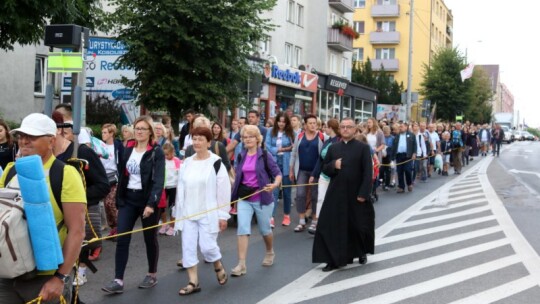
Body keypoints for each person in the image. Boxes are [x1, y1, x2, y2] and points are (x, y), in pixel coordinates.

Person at [0, 113, 86, 304]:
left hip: (45, 277)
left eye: (32, 136)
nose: (24, 141)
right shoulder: (10, 170)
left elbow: (77, 231)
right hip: (8, 273)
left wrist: (60, 278)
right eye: (21, 135)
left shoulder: (65, 174)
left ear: (51, 141)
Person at [102, 115, 165, 294]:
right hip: (128, 199)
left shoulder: (156, 152)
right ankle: (118, 280)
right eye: (137, 128)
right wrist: (119, 198)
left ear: (150, 132)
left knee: (149, 239)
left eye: (143, 129)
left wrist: (151, 204)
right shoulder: (127, 149)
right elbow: (123, 175)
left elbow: (158, 181)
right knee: (122, 238)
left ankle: (152, 273)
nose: (138, 131)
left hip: (147, 201)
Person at [52, 111, 110, 286]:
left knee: (79, 246)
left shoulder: (82, 151)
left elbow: (102, 185)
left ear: (59, 129)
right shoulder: (43, 157)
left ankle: (81, 272)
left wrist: (74, 199)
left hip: (80, 213)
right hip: (55, 218)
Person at [174, 127, 231, 295]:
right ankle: (193, 282)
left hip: (208, 213)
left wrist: (223, 215)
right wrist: (178, 211)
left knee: (208, 248)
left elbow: (223, 191)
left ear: (208, 142)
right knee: (188, 248)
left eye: (200, 139)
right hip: (188, 213)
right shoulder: (187, 162)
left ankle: (218, 265)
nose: (197, 142)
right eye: (194, 139)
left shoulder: (216, 162)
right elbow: (181, 188)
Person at [312, 117, 374, 271]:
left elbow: (368, 172)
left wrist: (364, 193)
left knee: (357, 225)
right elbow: (325, 168)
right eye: (343, 127)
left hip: (356, 193)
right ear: (339, 129)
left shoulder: (363, 148)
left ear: (354, 129)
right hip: (336, 192)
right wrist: (334, 165)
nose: (346, 129)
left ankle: (361, 252)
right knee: (331, 225)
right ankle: (332, 258)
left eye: (349, 127)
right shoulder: (333, 148)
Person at [230, 125, 282, 276]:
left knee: (265, 230)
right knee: (242, 229)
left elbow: (277, 173)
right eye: (245, 137)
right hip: (244, 198)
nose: (247, 139)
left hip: (262, 198)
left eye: (251, 136)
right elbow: (237, 174)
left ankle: (269, 251)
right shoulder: (241, 155)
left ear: (257, 138)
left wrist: (275, 184)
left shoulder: (265, 155)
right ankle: (241, 264)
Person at [289, 114, 327, 233]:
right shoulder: (299, 136)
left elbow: (324, 154)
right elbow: (294, 152)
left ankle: (315, 222)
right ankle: (301, 222)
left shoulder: (322, 136)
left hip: (316, 171)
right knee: (300, 195)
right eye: (310, 123)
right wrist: (291, 169)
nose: (313, 125)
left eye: (314, 123)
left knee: (315, 195)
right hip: (301, 170)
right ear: (305, 125)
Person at [310, 119, 340, 234]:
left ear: (331, 128)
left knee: (333, 200)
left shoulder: (339, 141)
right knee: (320, 198)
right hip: (324, 175)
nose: (324, 129)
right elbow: (320, 159)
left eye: (326, 127)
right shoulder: (327, 142)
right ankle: (317, 223)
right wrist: (314, 174)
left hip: (335, 176)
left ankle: (333, 222)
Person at [265, 112, 294, 227]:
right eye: (279, 121)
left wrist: (286, 149)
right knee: (274, 191)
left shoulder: (291, 132)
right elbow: (267, 145)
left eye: (283, 121)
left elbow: (294, 147)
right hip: (274, 162)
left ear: (286, 122)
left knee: (287, 191)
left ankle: (287, 215)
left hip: (287, 162)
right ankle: (271, 217)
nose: (281, 123)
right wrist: (279, 149)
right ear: (276, 121)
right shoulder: (270, 131)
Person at [101, 124, 125, 241]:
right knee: (106, 204)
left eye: (105, 132)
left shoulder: (118, 146)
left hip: (115, 177)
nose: (103, 135)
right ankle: (113, 228)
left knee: (111, 203)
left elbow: (122, 161)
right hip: (104, 178)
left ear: (111, 134)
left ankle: (120, 229)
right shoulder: (100, 146)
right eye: (102, 132)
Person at [159, 143, 180, 236]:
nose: (166, 156)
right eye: (164, 154)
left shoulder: (177, 161)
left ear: (172, 152)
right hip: (164, 187)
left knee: (172, 207)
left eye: (167, 154)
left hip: (174, 187)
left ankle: (172, 226)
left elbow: (180, 174)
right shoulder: (162, 161)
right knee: (161, 207)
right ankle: (164, 224)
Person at [391, 122, 417, 193]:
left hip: (408, 155)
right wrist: (392, 159)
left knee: (408, 170)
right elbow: (393, 147)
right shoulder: (397, 136)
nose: (400, 128)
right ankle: (401, 187)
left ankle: (409, 184)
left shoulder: (411, 135)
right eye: (400, 127)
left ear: (406, 127)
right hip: (399, 155)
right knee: (400, 171)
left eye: (401, 127)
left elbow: (415, 145)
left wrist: (414, 153)